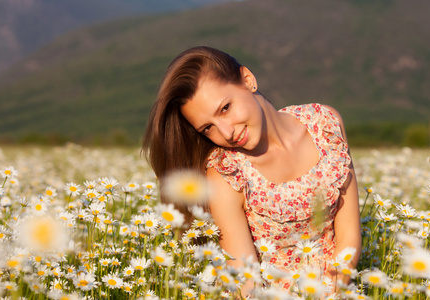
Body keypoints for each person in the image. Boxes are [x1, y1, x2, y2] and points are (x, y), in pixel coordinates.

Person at [142, 46, 361, 294]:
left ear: (248, 80)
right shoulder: (226, 177)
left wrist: (332, 292)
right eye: (208, 128)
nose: (226, 132)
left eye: (225, 108)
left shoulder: (325, 125)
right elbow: (246, 285)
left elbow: (349, 236)